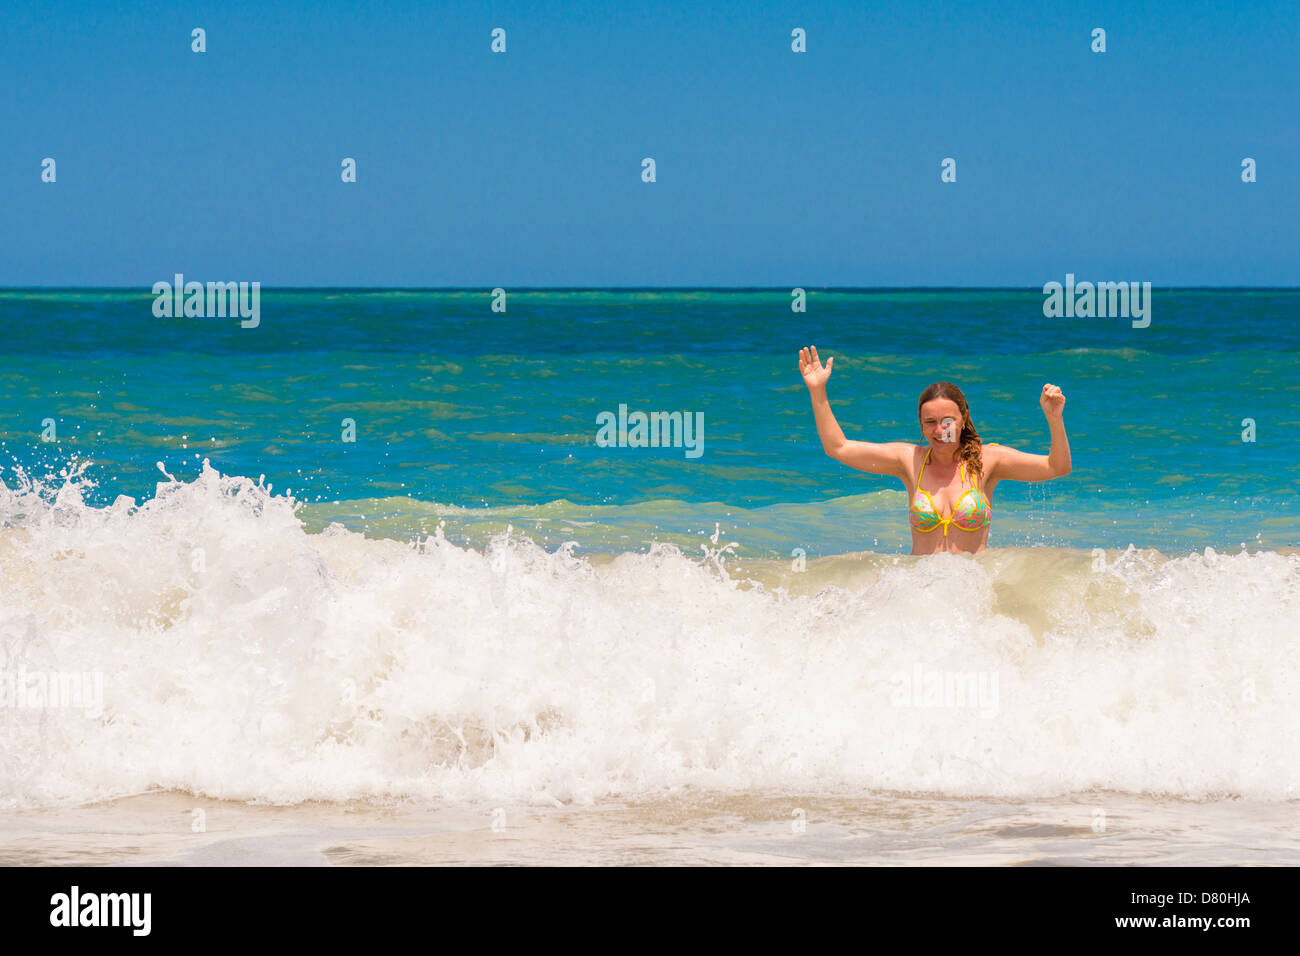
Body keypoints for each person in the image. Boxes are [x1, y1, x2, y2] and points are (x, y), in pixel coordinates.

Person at [798, 345, 1071, 555]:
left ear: (963, 419)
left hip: (971, 590)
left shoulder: (989, 460)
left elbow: (1057, 467)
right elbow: (838, 447)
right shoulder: (908, 460)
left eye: (948, 422)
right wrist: (817, 390)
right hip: (920, 591)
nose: (939, 431)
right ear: (921, 424)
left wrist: (1054, 418)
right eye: (930, 423)